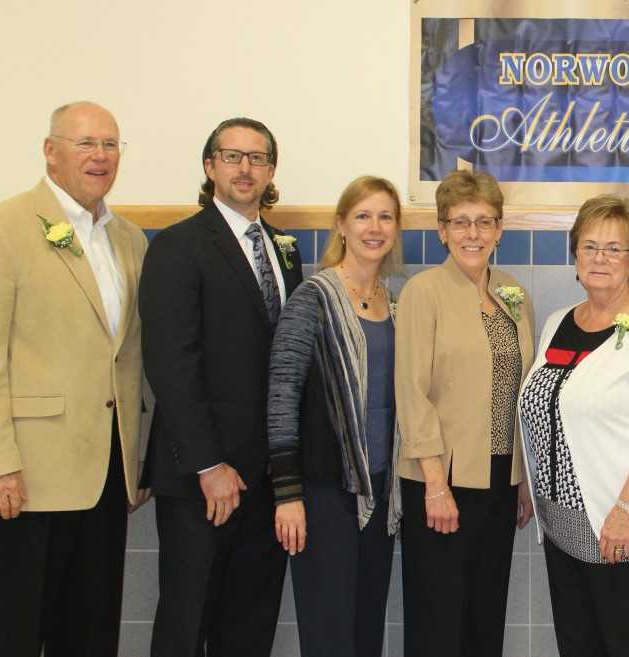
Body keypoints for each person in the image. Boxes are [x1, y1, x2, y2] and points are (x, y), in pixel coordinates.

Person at [0, 101, 148, 657]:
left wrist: (137, 460)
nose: (100, 156)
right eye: (85, 143)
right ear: (50, 150)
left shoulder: (127, 239)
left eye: (111, 145)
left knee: (89, 635)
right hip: (24, 480)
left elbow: (127, 357)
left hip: (106, 476)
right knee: (14, 632)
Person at [140, 117, 302, 657]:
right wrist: (209, 465)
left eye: (257, 158)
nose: (245, 168)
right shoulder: (178, 246)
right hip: (201, 480)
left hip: (265, 478)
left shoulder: (284, 250)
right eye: (232, 156)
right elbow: (171, 363)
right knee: (188, 620)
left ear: (272, 170)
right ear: (210, 167)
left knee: (249, 623)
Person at [518, 195, 629, 657]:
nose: (600, 257)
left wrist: (627, 511)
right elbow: (545, 411)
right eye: (589, 245)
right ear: (574, 253)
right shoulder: (558, 322)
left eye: (614, 249)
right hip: (566, 527)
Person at [394, 169, 535, 657]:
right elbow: (411, 394)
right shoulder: (424, 292)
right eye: (460, 222)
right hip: (442, 480)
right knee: (440, 618)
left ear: (500, 229)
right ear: (442, 230)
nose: (473, 234)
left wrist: (521, 479)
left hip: (498, 479)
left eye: (484, 222)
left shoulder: (513, 292)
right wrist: (435, 483)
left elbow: (519, 390)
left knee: (485, 610)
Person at [266, 176, 404, 657]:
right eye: (363, 215)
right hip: (324, 494)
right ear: (342, 225)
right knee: (329, 635)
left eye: (385, 216)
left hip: (380, 491)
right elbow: (281, 395)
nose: (375, 227)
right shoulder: (313, 299)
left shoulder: (395, 302)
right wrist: (287, 495)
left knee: (366, 630)